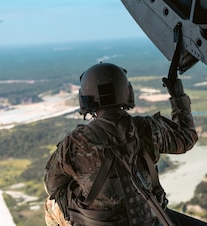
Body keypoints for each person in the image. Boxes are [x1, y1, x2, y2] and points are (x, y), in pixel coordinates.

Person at [44, 62, 198, 226]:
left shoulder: (75, 142)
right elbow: (186, 137)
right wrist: (178, 97)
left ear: (85, 100)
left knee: (50, 203)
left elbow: (52, 185)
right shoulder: (148, 128)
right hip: (148, 220)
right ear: (127, 92)